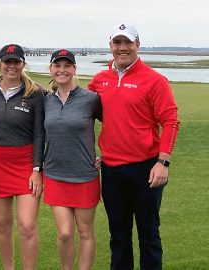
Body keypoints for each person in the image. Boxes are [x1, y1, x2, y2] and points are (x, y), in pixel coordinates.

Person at [87, 23, 180, 270]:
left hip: (146, 169)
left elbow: (170, 121)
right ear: (111, 46)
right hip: (112, 170)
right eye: (117, 43)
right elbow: (79, 109)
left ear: (137, 45)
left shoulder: (154, 80)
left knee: (148, 235)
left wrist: (163, 162)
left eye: (128, 42)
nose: (122, 48)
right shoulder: (100, 80)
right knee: (118, 235)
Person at [0, 44, 44, 270]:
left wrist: (37, 170)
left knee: (27, 225)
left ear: (22, 64)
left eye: (16, 62)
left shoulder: (35, 93)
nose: (11, 66)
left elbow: (40, 133)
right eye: (7, 62)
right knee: (2, 224)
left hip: (26, 165)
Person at [43, 49, 102, 270]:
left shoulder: (91, 99)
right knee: (65, 233)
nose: (62, 70)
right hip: (55, 174)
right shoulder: (46, 100)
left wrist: (107, 154)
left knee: (85, 232)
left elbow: (115, 125)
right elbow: (38, 134)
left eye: (67, 66)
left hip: (85, 175)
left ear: (74, 70)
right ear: (51, 69)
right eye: (57, 66)